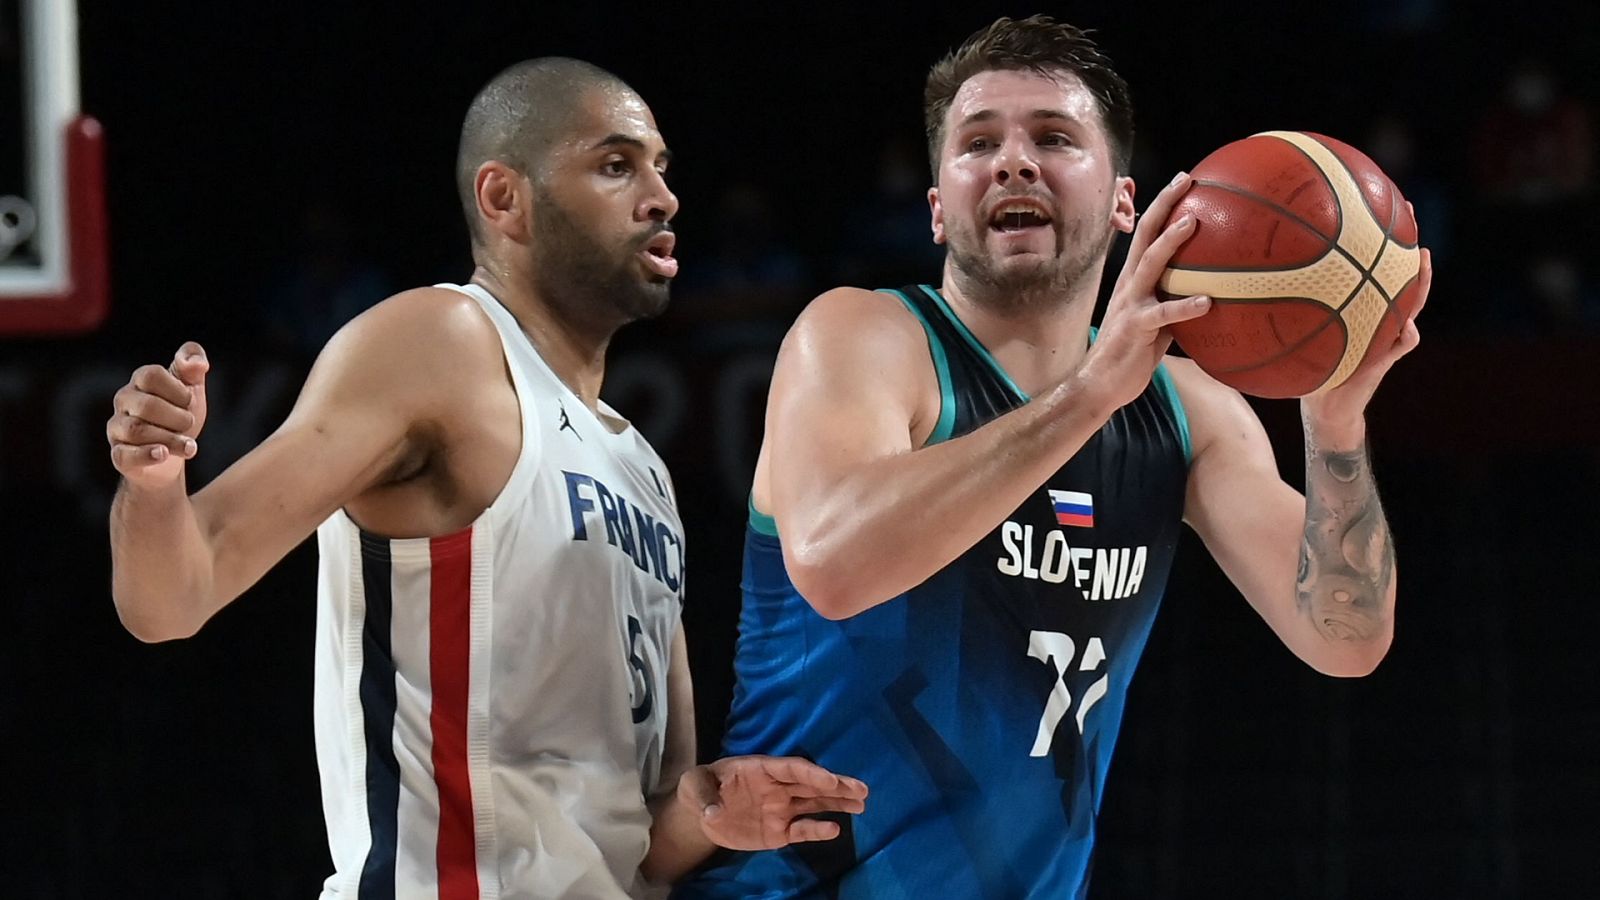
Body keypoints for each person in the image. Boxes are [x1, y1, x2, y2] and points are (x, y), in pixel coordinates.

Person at [675, 16, 1430, 899]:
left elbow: (1345, 640)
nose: (1013, 161)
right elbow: (836, 567)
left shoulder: (1191, 413)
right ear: (936, 208)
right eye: (978, 142)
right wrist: (1087, 397)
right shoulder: (864, 336)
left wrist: (1334, 429)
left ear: (1124, 201)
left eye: (1055, 138)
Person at [106, 58, 866, 899]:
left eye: (660, 168)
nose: (662, 197)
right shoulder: (440, 343)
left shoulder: (642, 466)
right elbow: (170, 600)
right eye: (617, 166)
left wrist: (713, 811)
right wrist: (153, 484)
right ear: (505, 198)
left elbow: (649, 830)